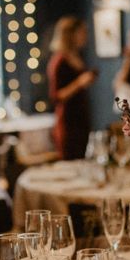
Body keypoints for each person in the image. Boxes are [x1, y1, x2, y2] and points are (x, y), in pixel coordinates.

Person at [47, 16, 98, 159]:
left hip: (81, 118)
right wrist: (79, 83)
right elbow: (55, 96)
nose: (85, 36)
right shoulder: (59, 61)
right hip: (69, 122)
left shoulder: (76, 56)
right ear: (71, 35)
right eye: (82, 32)